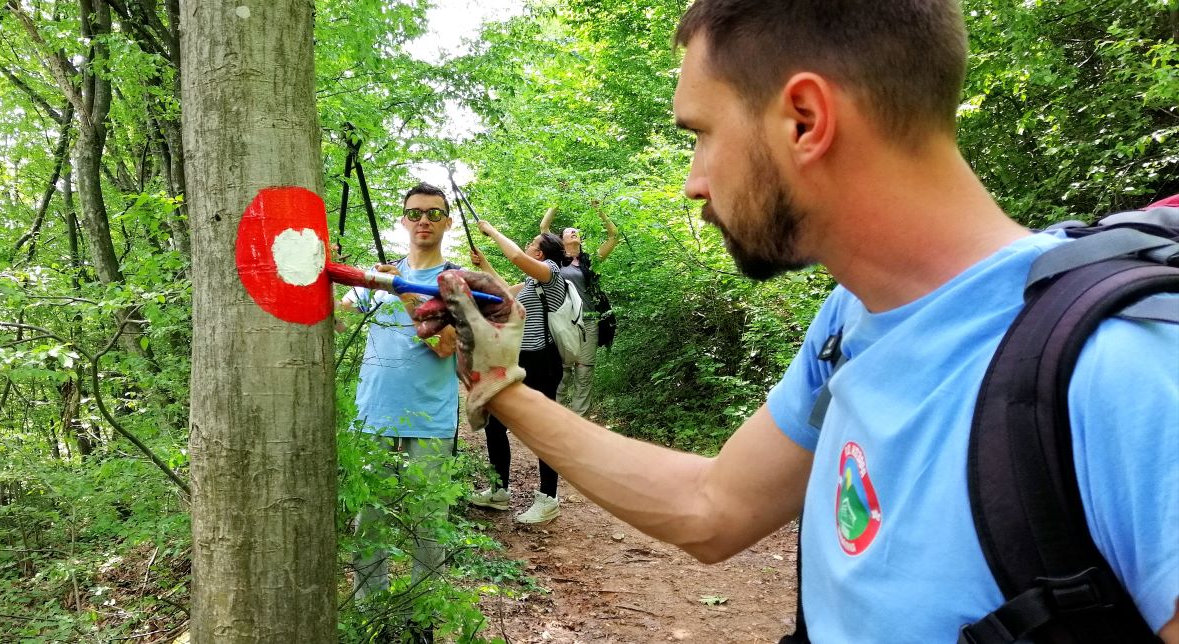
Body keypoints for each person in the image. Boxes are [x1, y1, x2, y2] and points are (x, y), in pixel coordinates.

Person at [412, 1, 1179, 641]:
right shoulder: (852, 320)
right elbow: (711, 508)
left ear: (806, 120)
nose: (692, 183)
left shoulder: (1125, 370)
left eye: (701, 135)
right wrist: (500, 381)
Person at [336, 182, 459, 608]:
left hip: (429, 419)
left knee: (428, 524)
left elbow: (445, 346)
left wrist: (401, 290)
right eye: (415, 213)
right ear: (403, 219)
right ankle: (370, 613)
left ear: (448, 221)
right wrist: (330, 270)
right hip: (373, 415)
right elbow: (333, 321)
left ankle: (421, 615)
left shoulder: (456, 282)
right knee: (369, 523)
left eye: (433, 213)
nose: (423, 220)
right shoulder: (379, 275)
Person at [465, 222, 569, 524]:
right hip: (519, 361)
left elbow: (515, 258)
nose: (526, 246)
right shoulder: (532, 281)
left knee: (542, 431)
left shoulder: (551, 274)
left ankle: (548, 498)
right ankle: (499, 491)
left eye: (531, 243)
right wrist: (483, 262)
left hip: (543, 363)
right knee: (494, 423)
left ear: (541, 251)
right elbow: (503, 294)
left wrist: (493, 231)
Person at [540, 201, 619, 417]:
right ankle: (555, 420)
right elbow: (544, 228)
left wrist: (598, 209)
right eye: (568, 231)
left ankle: (578, 423)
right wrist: (556, 201)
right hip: (563, 323)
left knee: (584, 374)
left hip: (589, 322)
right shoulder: (555, 261)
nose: (573, 232)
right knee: (563, 374)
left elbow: (614, 236)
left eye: (576, 232)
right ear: (561, 240)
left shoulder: (590, 261)